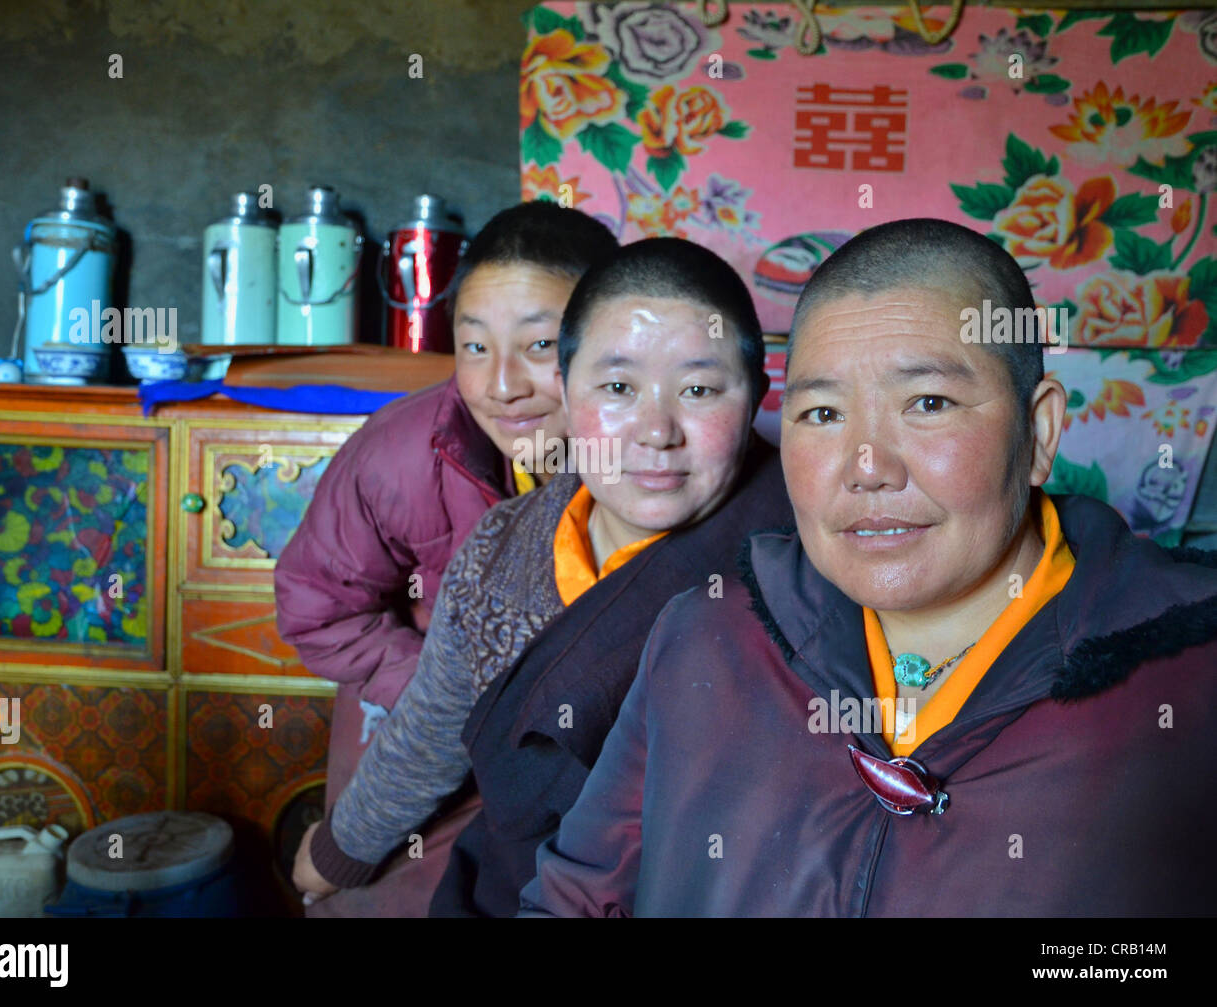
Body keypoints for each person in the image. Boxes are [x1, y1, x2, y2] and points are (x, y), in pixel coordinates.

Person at [520, 217, 1217, 917]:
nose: (867, 468)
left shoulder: (1188, 671)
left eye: (929, 403)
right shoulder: (708, 633)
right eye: (822, 412)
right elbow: (572, 900)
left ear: (1038, 432)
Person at [292, 238, 791, 915]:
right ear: (566, 384)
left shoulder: (802, 560)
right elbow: (435, 726)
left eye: (700, 389)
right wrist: (340, 850)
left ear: (757, 393)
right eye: (617, 387)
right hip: (508, 887)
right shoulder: (504, 547)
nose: (656, 430)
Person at [275, 200, 617, 916]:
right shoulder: (401, 454)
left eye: (539, 345)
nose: (501, 385)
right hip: (415, 702)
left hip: (570, 728)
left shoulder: (644, 460)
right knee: (379, 894)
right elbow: (315, 608)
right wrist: (455, 693)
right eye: (474, 346)